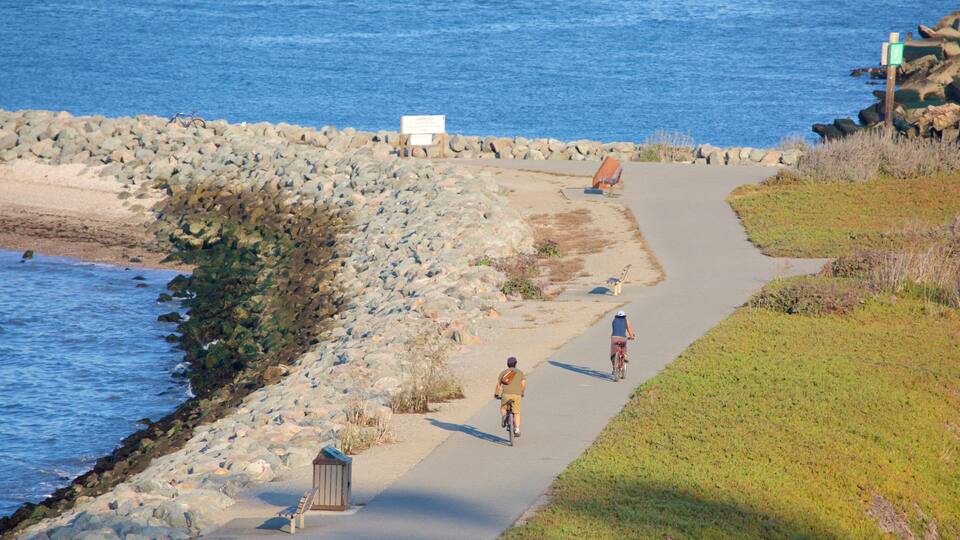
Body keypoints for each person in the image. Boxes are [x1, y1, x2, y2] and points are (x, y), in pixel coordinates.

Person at [494, 356, 526, 437]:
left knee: (503, 408)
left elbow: (498, 385)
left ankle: (504, 417)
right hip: (517, 395)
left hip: (506, 394)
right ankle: (517, 429)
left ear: (507, 364)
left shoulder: (503, 372)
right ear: (516, 364)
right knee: (517, 412)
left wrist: (496, 394)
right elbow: (523, 385)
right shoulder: (520, 373)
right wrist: (521, 393)